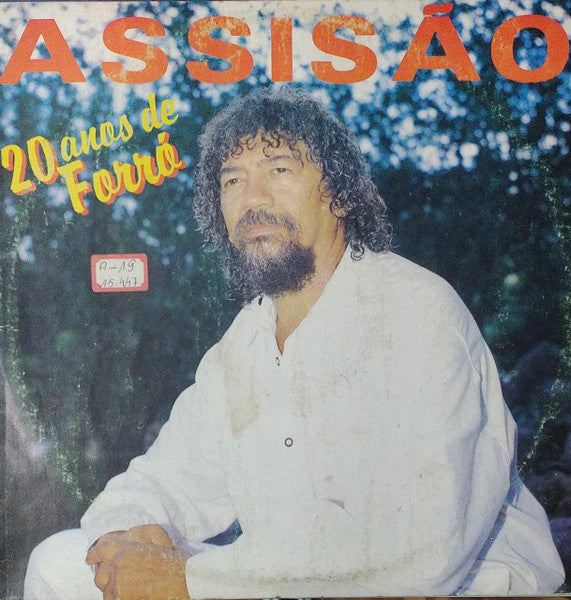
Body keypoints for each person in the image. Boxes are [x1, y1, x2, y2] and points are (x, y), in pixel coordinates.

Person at [24, 87, 564, 599]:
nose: (252, 199)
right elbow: (160, 481)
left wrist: (190, 579)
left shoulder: (414, 310)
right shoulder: (245, 342)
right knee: (60, 563)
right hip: (292, 583)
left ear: (339, 196)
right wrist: (129, 535)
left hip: (448, 590)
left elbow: (418, 552)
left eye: (279, 170)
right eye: (232, 180)